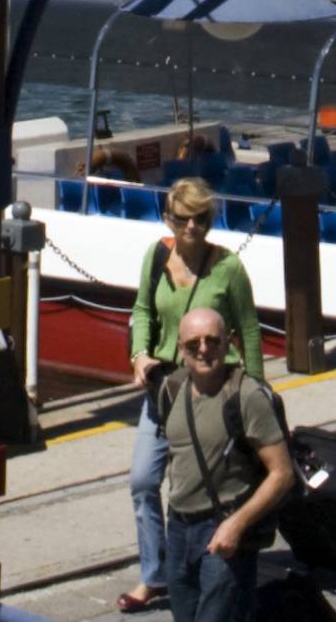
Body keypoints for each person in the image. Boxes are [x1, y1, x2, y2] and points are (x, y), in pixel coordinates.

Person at [121, 178, 262, 614]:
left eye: (201, 219)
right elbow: (143, 310)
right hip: (164, 390)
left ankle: (210, 560)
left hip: (214, 392)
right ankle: (154, 574)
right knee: (144, 480)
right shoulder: (156, 257)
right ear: (169, 219)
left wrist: (256, 393)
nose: (192, 228)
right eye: (183, 220)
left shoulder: (228, 269)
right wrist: (139, 355)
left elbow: (249, 330)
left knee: (204, 483)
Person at [151, 303, 294, 622]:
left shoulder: (246, 396)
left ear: (228, 342)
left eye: (212, 341)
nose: (203, 350)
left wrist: (237, 524)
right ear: (180, 349)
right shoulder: (172, 389)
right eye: (193, 344)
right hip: (178, 528)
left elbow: (282, 474)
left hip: (223, 528)